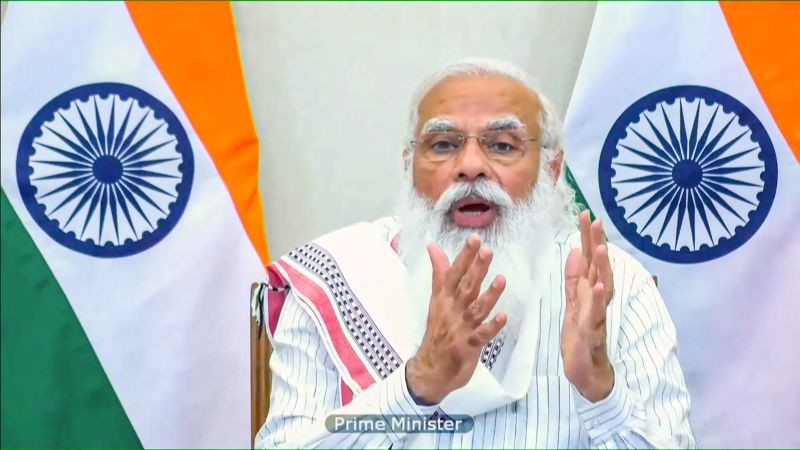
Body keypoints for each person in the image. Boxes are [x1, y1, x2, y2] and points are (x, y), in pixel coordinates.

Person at [254, 58, 695, 449]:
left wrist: (600, 390)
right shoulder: (335, 277)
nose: (470, 165)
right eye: (444, 144)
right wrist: (415, 386)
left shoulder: (611, 286)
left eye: (502, 145)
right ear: (408, 165)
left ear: (552, 168)